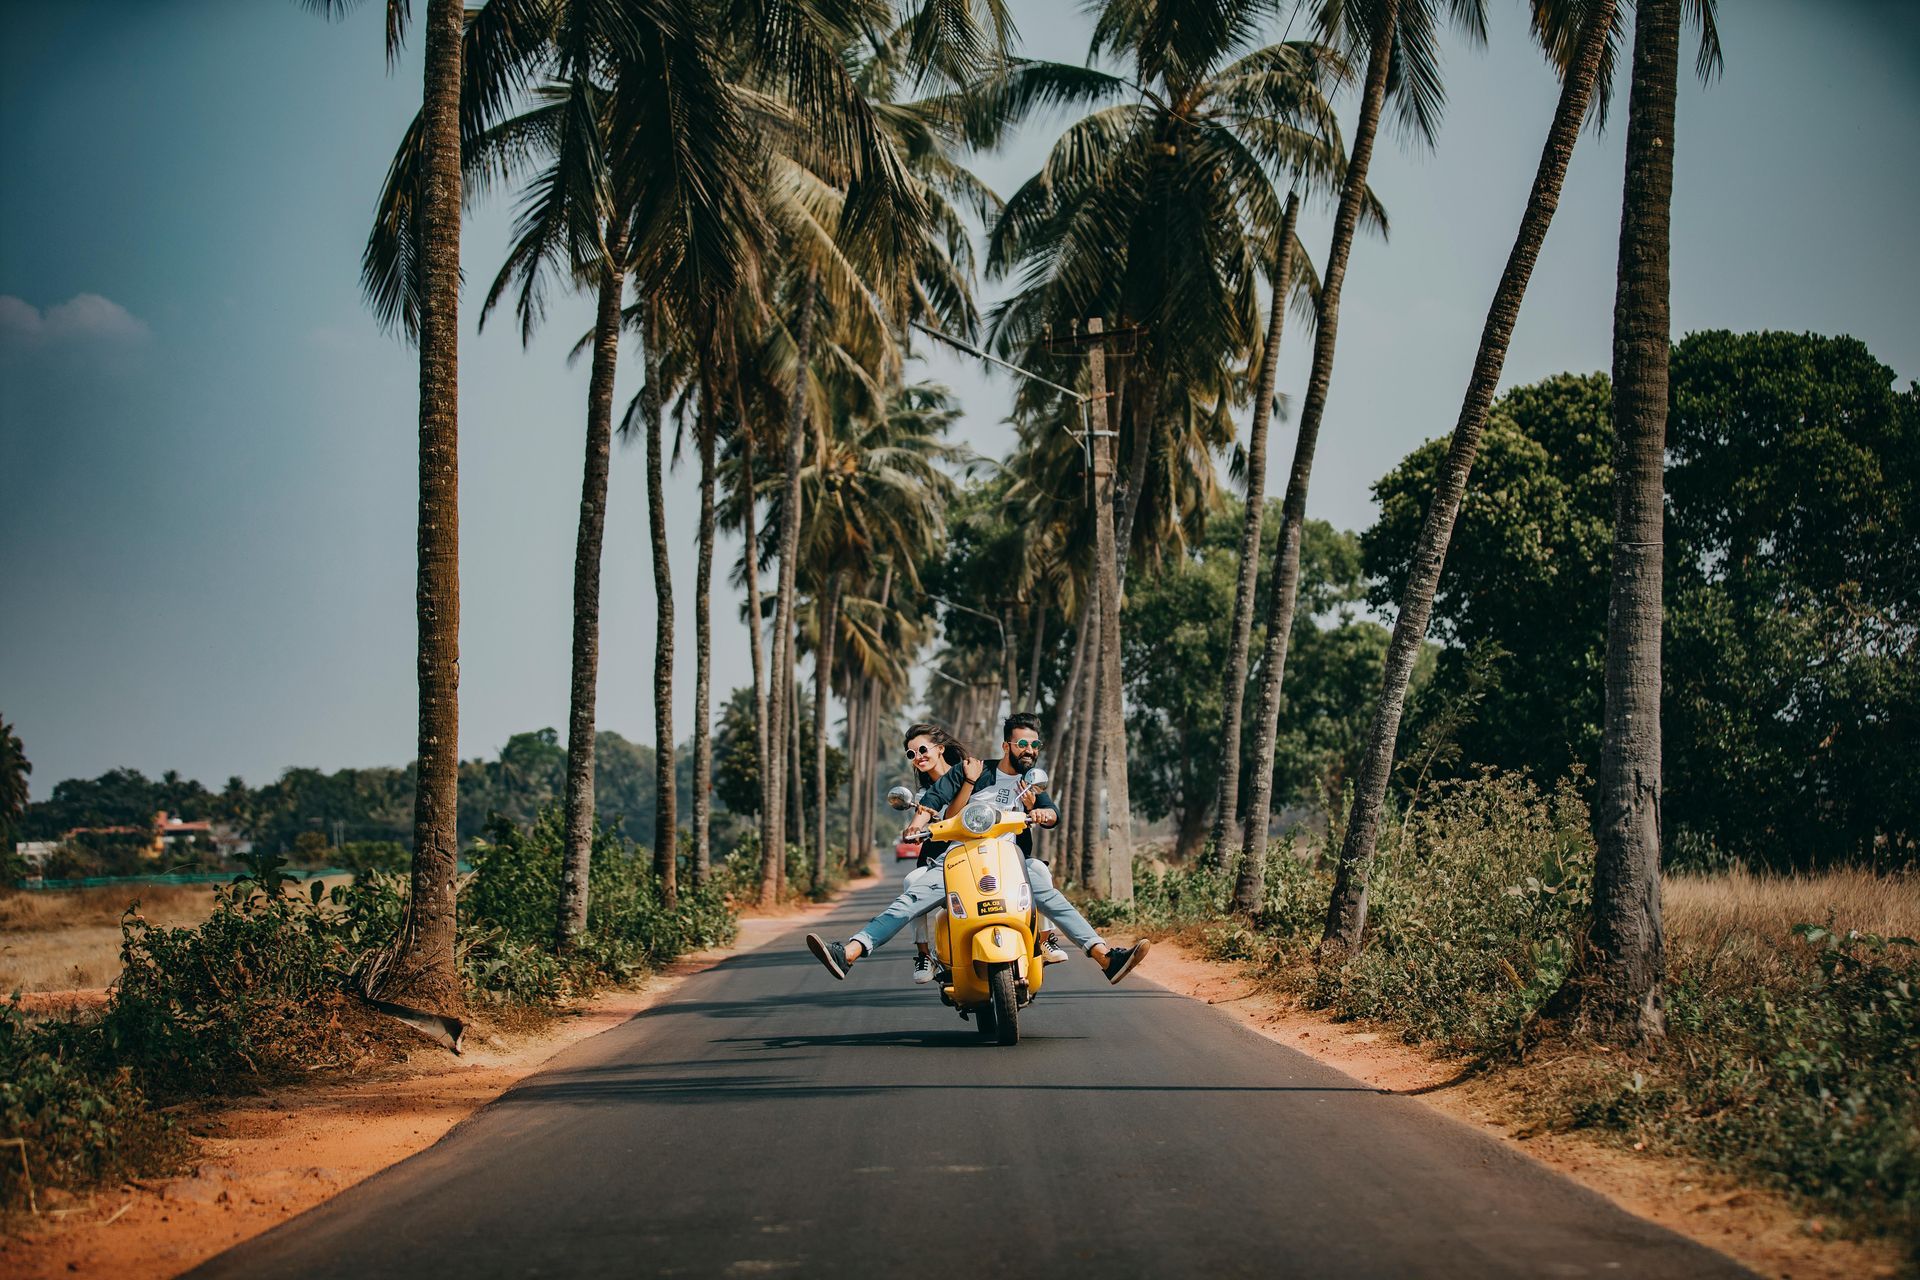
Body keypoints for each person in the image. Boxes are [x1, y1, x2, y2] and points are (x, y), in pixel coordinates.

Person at [806, 712, 1150, 985]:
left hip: (1008, 861)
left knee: (1046, 885)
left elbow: (1051, 811)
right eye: (1021, 744)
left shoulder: (1027, 783)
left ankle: (1104, 957)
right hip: (957, 861)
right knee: (909, 899)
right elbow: (933, 802)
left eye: (1034, 744)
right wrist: (916, 825)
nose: (1028, 750)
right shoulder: (970, 771)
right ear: (1006, 746)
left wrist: (1043, 812)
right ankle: (849, 952)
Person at [897, 722, 974, 985]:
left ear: (940, 749)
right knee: (911, 882)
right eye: (911, 754)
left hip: (978, 855)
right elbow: (918, 825)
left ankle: (1041, 942)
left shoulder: (971, 776)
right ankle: (923, 955)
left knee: (1030, 871)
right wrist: (912, 831)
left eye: (921, 749)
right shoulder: (922, 796)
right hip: (940, 861)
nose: (917, 757)